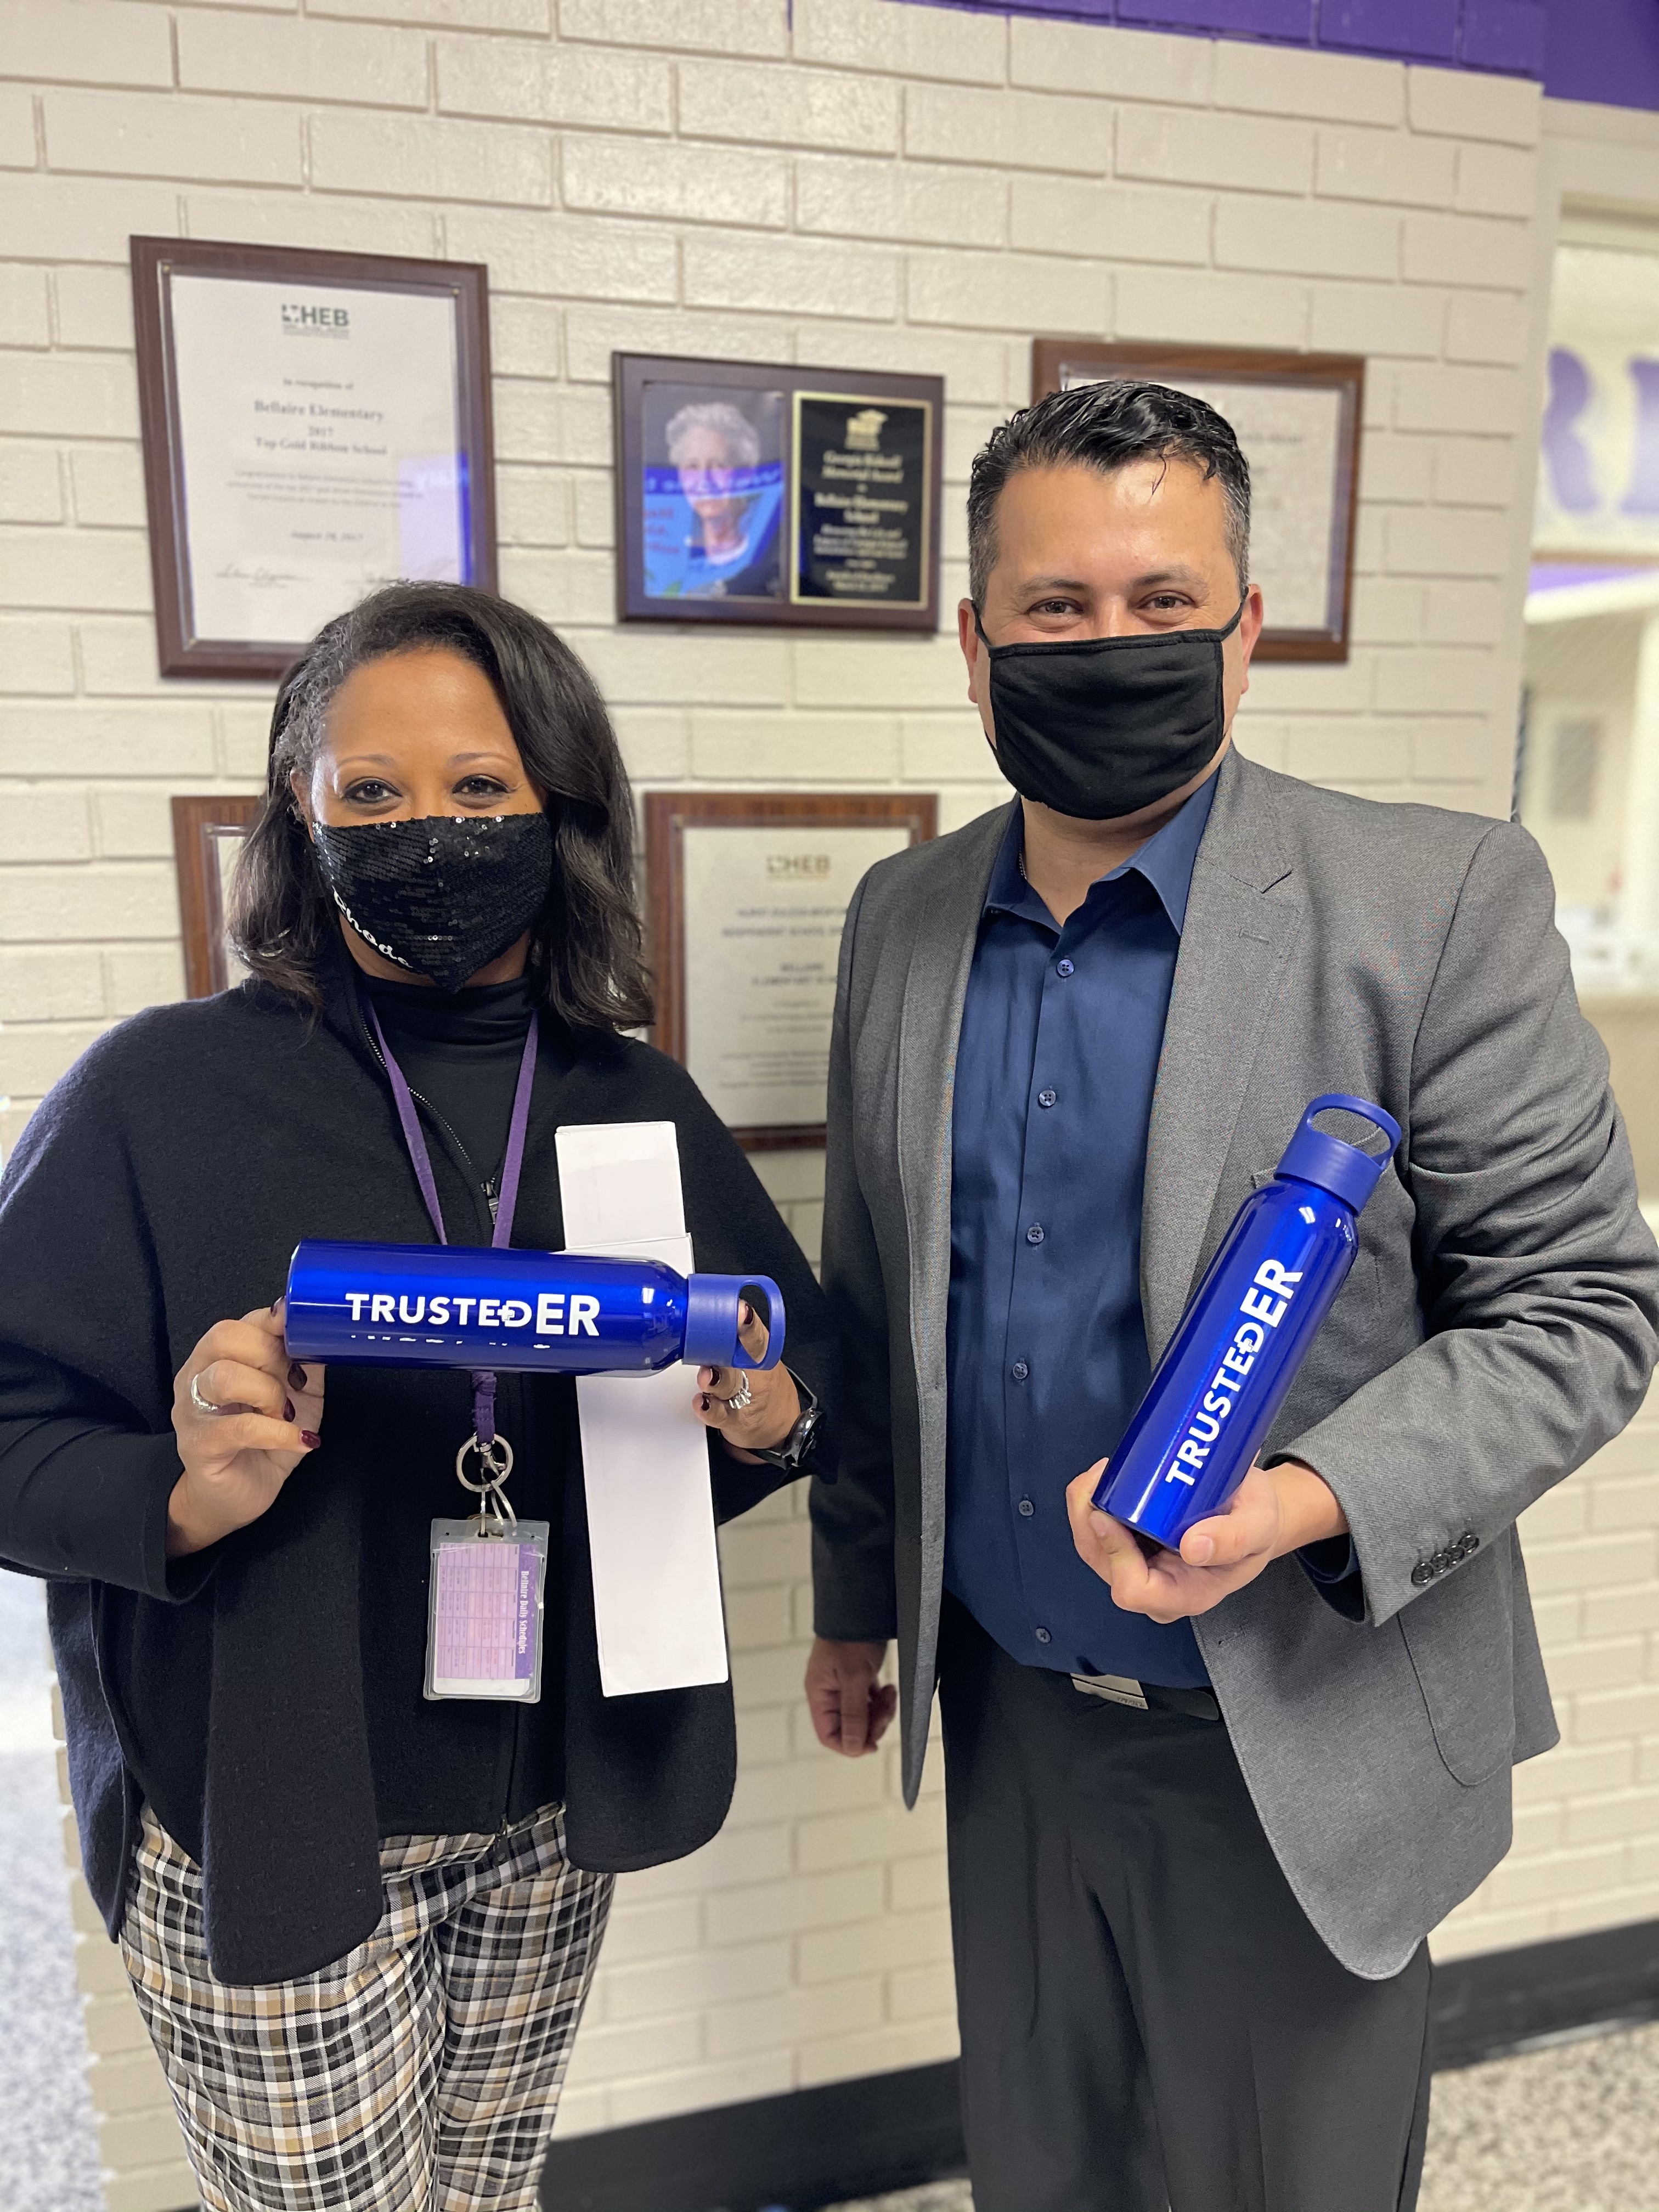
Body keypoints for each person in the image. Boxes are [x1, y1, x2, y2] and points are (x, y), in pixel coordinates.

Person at [804, 380, 1659, 2212]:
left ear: (1243, 629)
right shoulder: (902, 918)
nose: (1109, 643)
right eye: (1054, 608)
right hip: (1016, 1726)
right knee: (1049, 2176)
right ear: (975, 641)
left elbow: (1583, 1310)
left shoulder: (1426, 901)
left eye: (1161, 602)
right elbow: (875, 1295)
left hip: (1297, 1719)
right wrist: (849, 1596)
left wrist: (1296, 1503)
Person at [0, 582, 831, 2212]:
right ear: (298, 820)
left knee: (485, 2193)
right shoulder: (160, 1095)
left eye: (477, 789)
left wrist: (761, 1411)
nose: (425, 832)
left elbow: (783, 1402)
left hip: (536, 1809)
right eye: (369, 793)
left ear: (561, 813)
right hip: (271, 1812)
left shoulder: (627, 1100)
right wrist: (181, 1491)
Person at [662, 397, 784, 600]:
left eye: (719, 465)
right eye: (692, 467)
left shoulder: (774, 548)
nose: (704, 481)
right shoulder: (667, 556)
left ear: (746, 473)